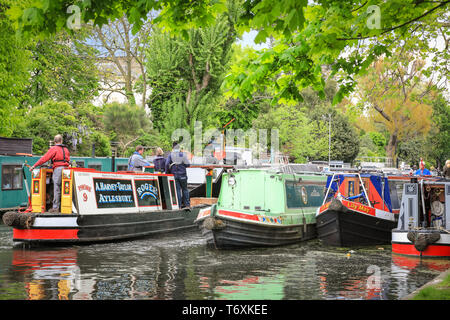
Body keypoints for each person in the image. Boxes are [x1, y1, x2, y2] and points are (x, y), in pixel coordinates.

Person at [29, 134, 70, 213]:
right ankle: (65, 207)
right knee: (65, 189)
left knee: (57, 188)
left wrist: (34, 166)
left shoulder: (54, 149)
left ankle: (55, 208)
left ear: (55, 142)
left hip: (58, 169)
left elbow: (44, 158)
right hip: (67, 170)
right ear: (61, 141)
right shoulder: (66, 149)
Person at [165, 142, 191, 209]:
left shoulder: (170, 155)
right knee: (185, 189)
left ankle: (179, 206)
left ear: (173, 148)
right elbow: (188, 164)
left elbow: (166, 164)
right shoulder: (183, 155)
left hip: (174, 175)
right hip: (183, 175)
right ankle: (187, 205)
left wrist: (167, 173)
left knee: (177, 190)